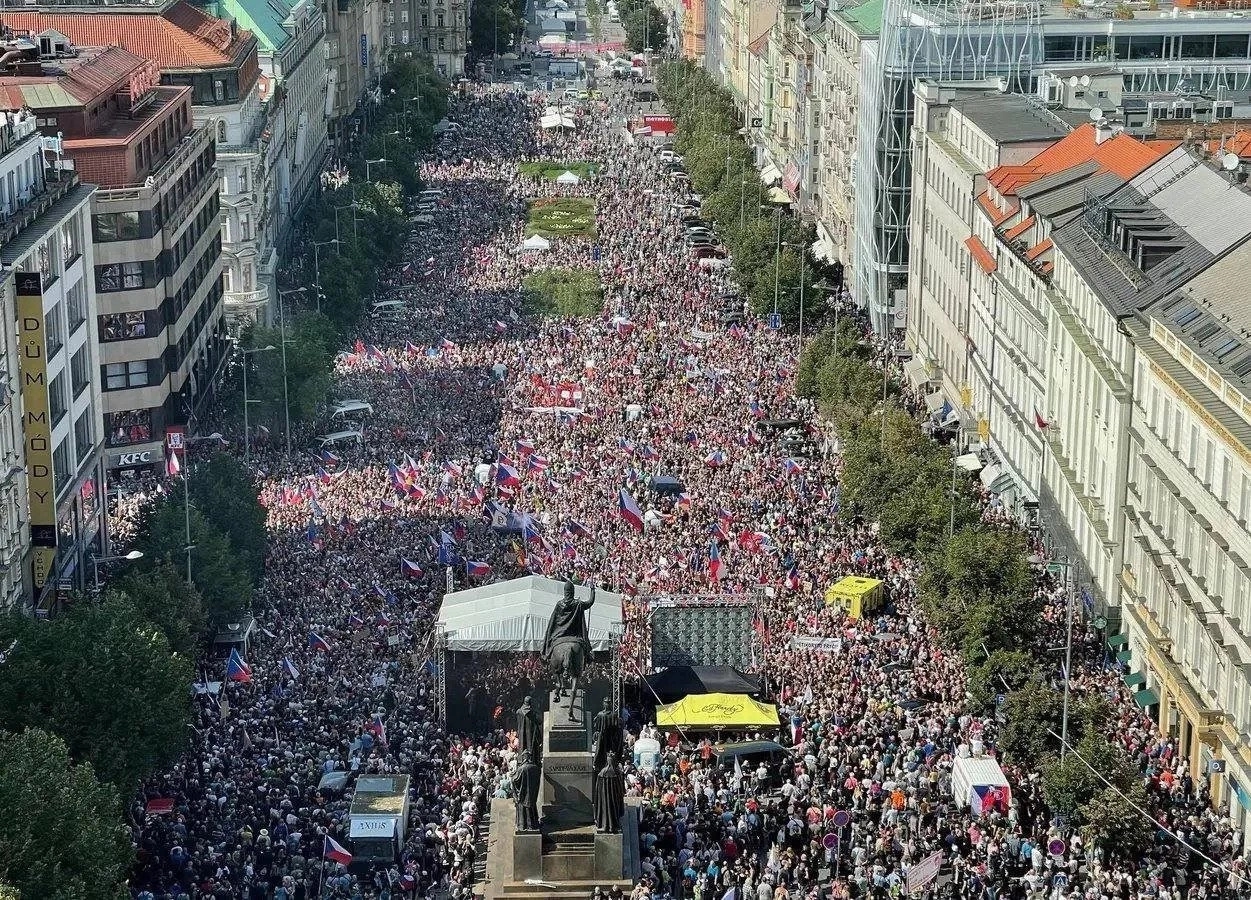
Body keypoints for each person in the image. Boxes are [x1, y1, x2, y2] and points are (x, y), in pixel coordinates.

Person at [593, 751, 624, 833]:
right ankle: (613, 824)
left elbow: (597, 789)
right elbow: (620, 788)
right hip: (614, 798)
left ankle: (604, 824)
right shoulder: (617, 773)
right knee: (613, 809)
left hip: (603, 798)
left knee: (605, 809)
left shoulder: (602, 773)